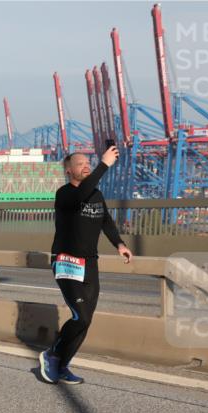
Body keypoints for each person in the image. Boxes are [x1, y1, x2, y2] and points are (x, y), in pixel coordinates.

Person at [40, 147, 133, 384]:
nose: (85, 165)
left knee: (86, 321)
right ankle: (51, 355)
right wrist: (104, 164)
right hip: (66, 261)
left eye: (87, 162)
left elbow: (106, 221)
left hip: (90, 264)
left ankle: (62, 365)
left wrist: (119, 244)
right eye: (80, 163)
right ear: (69, 170)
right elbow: (80, 195)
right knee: (80, 316)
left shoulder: (96, 195)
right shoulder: (65, 194)